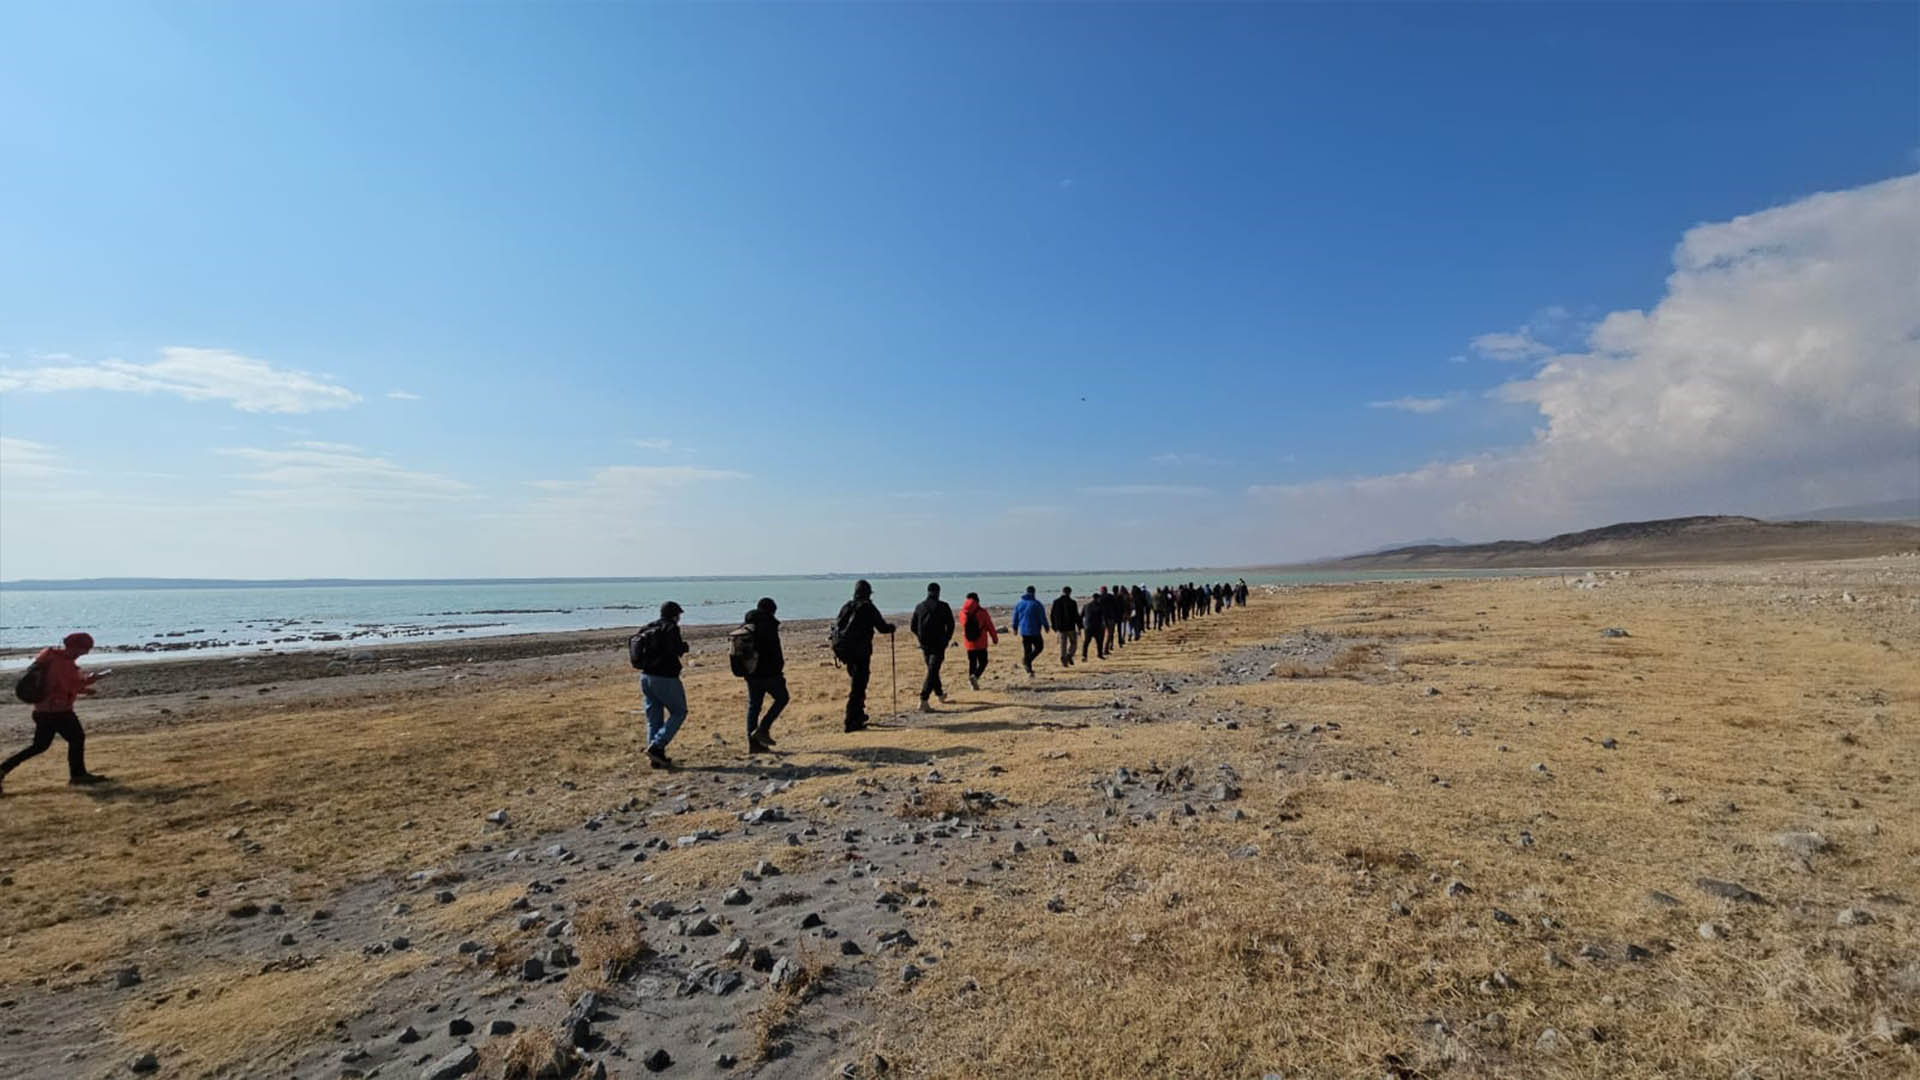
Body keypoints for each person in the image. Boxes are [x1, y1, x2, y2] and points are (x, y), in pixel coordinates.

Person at [1, 632, 109, 794]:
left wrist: (84, 690)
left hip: (42, 710)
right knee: (76, 738)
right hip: (58, 711)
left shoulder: (50, 658)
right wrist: (92, 680)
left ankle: (3, 769)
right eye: (83, 649)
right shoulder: (63, 663)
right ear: (74, 647)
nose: (84, 654)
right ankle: (78, 775)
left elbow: (58, 686)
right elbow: (69, 685)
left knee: (39, 746)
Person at [633, 602, 691, 769]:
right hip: (665, 677)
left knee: (654, 717)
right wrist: (684, 647)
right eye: (679, 615)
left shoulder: (648, 628)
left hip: (645, 676)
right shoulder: (670, 628)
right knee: (679, 712)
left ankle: (656, 758)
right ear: (675, 615)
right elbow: (676, 649)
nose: (679, 618)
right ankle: (657, 746)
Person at [832, 579, 894, 732]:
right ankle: (851, 720)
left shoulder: (847, 606)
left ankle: (858, 715)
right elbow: (882, 627)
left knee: (857, 684)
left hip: (845, 652)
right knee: (858, 687)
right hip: (860, 652)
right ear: (868, 593)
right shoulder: (868, 607)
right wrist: (891, 628)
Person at [741, 597, 786, 753]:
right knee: (782, 698)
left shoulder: (747, 624)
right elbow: (774, 650)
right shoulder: (769, 624)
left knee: (754, 706)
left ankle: (753, 745)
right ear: (771, 610)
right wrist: (779, 670)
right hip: (769, 673)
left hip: (751, 672)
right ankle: (763, 728)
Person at [909, 582, 955, 712]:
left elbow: (912, 626)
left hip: (925, 644)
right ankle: (924, 699)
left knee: (932, 669)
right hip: (939, 643)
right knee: (933, 670)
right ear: (938, 592)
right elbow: (951, 625)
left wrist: (920, 637)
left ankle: (940, 694)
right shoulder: (943, 606)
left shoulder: (919, 607)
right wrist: (946, 639)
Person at [959, 591, 998, 690]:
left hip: (968, 643)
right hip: (981, 642)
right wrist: (994, 638)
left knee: (972, 662)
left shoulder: (962, 613)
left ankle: (972, 683)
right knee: (983, 662)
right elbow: (990, 626)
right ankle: (975, 677)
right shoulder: (982, 612)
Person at [1011, 585, 1049, 676]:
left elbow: (1015, 616)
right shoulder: (1037, 604)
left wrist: (1015, 627)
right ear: (1034, 592)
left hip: (1024, 630)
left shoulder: (1020, 603)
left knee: (1027, 649)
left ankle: (1028, 668)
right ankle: (1027, 662)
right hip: (1034, 630)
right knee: (1039, 647)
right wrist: (1046, 626)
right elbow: (1042, 616)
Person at [1050, 586, 1081, 667]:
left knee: (1063, 644)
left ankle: (1064, 659)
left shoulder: (1056, 602)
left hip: (1061, 627)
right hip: (1070, 626)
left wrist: (1054, 626)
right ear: (1070, 592)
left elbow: (1052, 615)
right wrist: (1079, 626)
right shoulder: (1072, 602)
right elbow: (1076, 615)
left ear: (1062, 591)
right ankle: (1069, 655)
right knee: (1073, 643)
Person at [1081, 587, 1107, 661]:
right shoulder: (1100, 606)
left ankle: (1084, 656)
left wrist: (1082, 625)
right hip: (1097, 627)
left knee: (1086, 642)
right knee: (1099, 642)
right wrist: (1103, 625)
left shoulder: (1086, 606)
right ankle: (1100, 654)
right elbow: (1102, 616)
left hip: (1088, 626)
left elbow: (1081, 616)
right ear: (1097, 599)